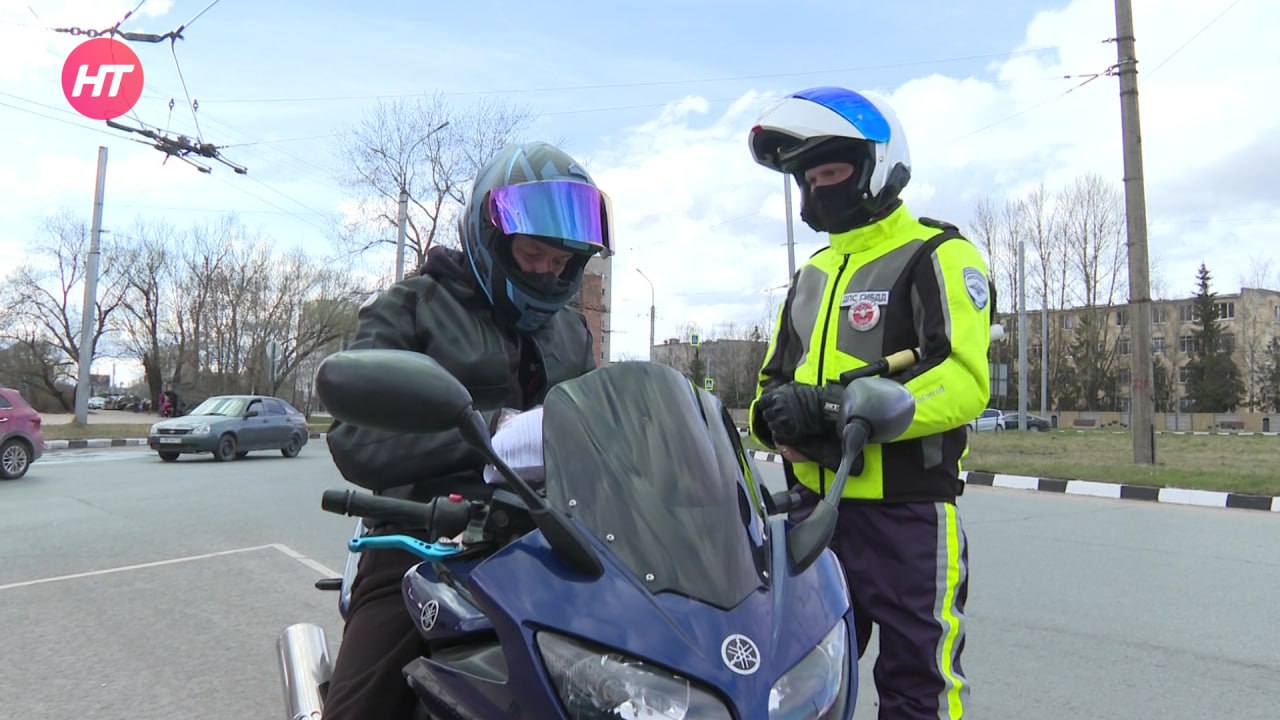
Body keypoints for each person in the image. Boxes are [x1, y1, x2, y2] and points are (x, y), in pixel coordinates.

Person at [321, 141, 613, 720]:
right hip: (424, 543)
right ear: (490, 237)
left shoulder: (572, 333)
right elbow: (355, 439)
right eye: (534, 253)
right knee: (359, 708)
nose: (548, 271)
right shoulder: (410, 308)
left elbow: (597, 430)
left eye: (562, 261)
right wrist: (492, 434)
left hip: (547, 545)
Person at [747, 87, 991, 719]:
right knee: (795, 687)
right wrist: (773, 420)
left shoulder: (936, 254)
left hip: (907, 515)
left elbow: (963, 378)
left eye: (831, 172)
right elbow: (771, 380)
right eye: (807, 179)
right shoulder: (811, 274)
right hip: (813, 514)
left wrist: (837, 410)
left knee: (920, 688)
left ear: (877, 166)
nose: (817, 189)